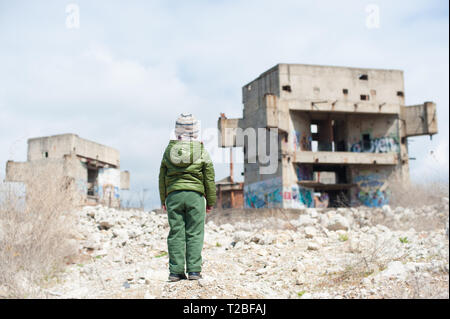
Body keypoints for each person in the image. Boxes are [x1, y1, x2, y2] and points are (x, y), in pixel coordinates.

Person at [158, 113, 216, 282]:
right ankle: (194, 271)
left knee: (176, 233)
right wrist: (210, 201)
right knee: (195, 233)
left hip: (173, 196)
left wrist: (164, 199)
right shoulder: (202, 151)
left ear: (176, 133)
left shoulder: (168, 151)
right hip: (195, 196)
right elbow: (209, 178)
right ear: (196, 133)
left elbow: (161, 177)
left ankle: (175, 272)